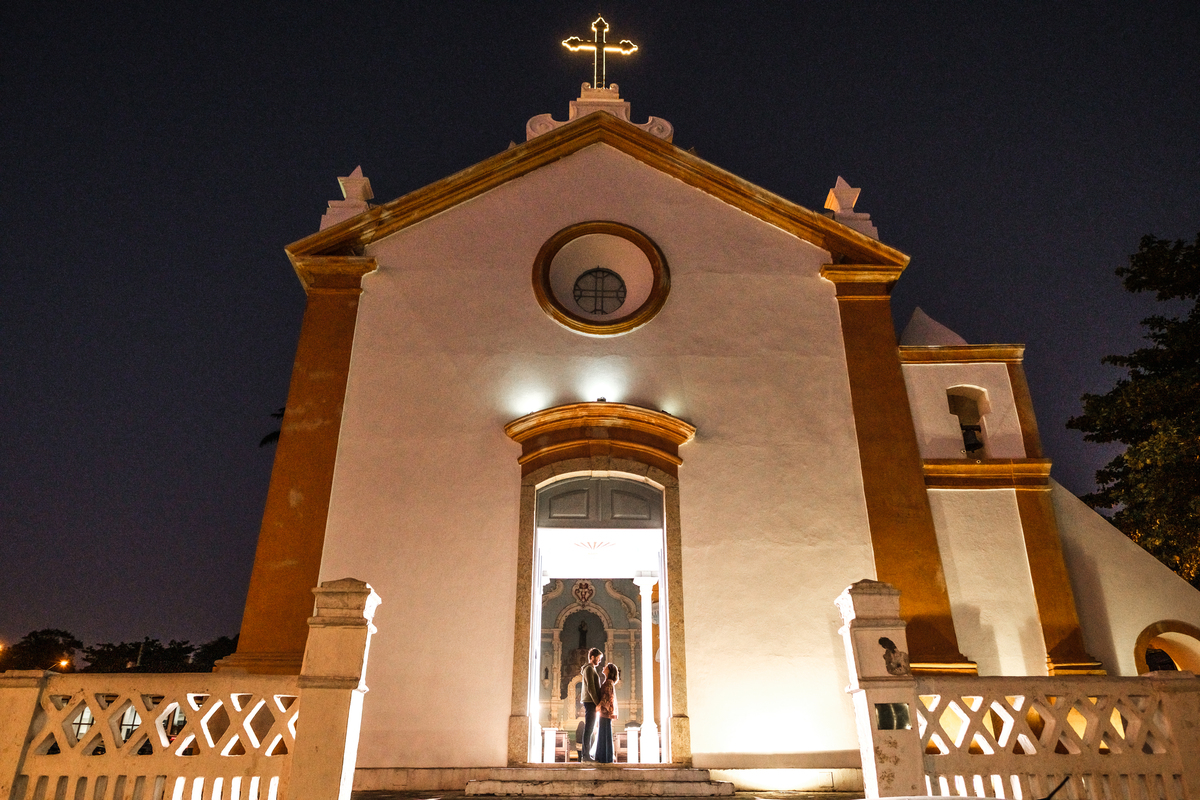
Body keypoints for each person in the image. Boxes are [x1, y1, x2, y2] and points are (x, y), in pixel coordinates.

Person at [579, 648, 604, 761]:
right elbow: (591, 688)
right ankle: (585, 755)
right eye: (598, 658)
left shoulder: (591, 668)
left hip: (590, 701)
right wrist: (597, 703)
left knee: (590, 728)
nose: (599, 661)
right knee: (589, 728)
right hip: (590, 702)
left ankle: (586, 754)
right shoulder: (589, 669)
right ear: (592, 657)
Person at [596, 663, 620, 764]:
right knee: (604, 734)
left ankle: (604, 757)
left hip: (605, 712)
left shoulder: (609, 682)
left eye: (605, 667)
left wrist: (599, 706)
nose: (603, 667)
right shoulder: (608, 682)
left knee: (604, 734)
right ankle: (605, 756)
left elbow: (607, 697)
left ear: (609, 671)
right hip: (605, 712)